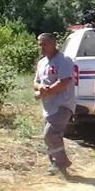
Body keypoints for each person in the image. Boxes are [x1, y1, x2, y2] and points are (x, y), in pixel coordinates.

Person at [33, 33, 76, 178]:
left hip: (63, 104)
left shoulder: (63, 60)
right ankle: (56, 163)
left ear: (53, 44)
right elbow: (35, 82)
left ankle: (62, 162)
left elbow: (64, 82)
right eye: (40, 44)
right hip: (48, 106)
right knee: (51, 136)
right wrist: (40, 88)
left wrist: (46, 91)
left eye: (44, 44)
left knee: (50, 134)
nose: (42, 47)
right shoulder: (42, 62)